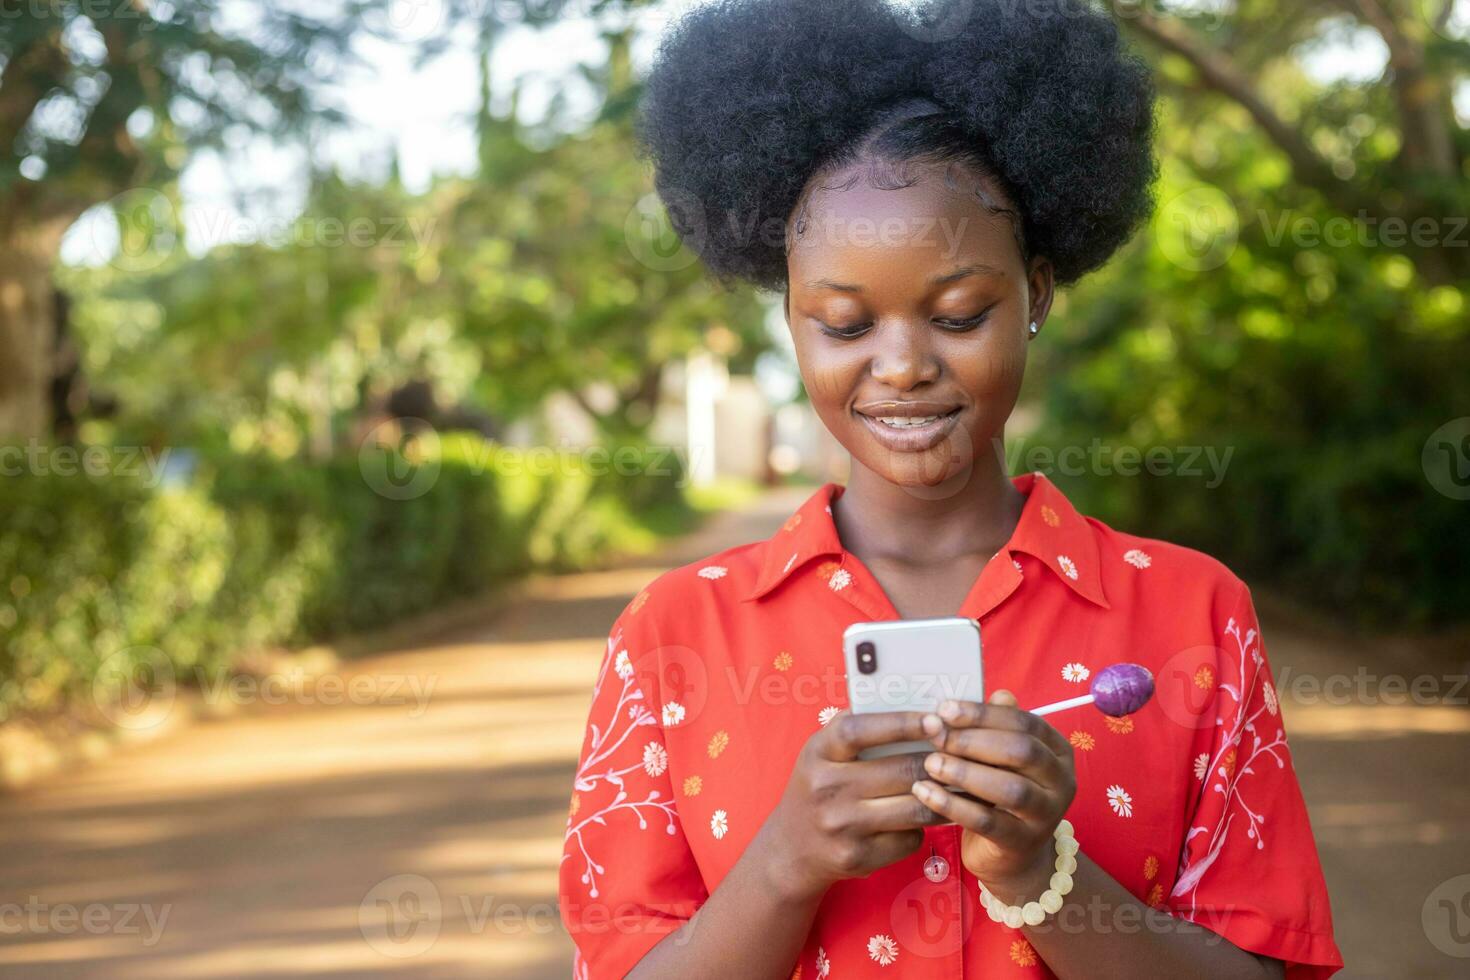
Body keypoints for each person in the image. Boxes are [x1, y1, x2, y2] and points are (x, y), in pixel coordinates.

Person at [558, 1, 1344, 977]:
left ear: (1039, 292)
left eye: (961, 311)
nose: (901, 365)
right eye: (844, 323)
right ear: (792, 320)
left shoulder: (1194, 612)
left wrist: (1037, 870)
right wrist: (784, 863)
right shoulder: (670, 632)